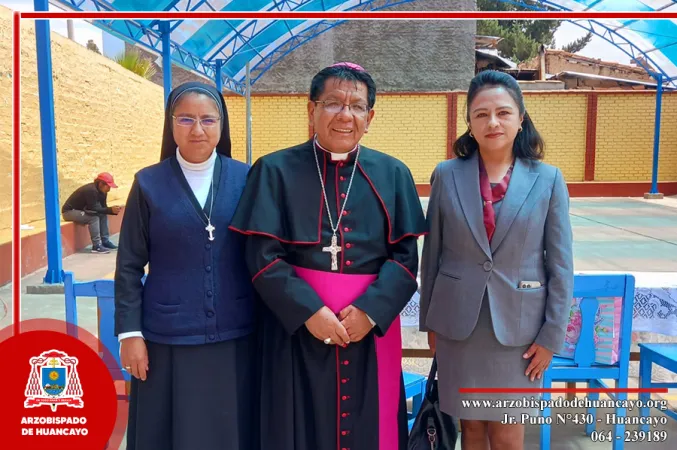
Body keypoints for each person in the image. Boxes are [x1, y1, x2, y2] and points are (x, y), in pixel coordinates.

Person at [229, 62, 427, 450]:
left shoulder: (392, 173)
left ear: (370, 117)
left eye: (356, 106)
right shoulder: (274, 170)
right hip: (296, 330)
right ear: (311, 110)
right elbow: (262, 255)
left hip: (368, 331)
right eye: (333, 103)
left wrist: (369, 312)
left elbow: (406, 257)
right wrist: (308, 312)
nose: (345, 115)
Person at [419, 70, 574, 450]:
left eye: (503, 113)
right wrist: (431, 323)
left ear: (521, 119)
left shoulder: (548, 180)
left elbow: (561, 265)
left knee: (507, 433)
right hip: (459, 328)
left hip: (520, 332)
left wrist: (551, 337)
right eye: (481, 114)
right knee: (470, 430)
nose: (492, 122)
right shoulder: (447, 175)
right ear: (469, 123)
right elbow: (432, 255)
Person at [113, 82, 257, 450]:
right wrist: (130, 334)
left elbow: (264, 256)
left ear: (221, 125)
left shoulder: (247, 179)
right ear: (171, 124)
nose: (197, 129)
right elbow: (129, 264)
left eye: (208, 119)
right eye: (186, 119)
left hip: (235, 335)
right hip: (167, 339)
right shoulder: (148, 183)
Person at [61, 172, 122, 253]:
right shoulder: (91, 190)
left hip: (81, 210)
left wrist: (112, 210)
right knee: (94, 218)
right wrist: (110, 210)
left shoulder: (103, 192)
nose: (109, 189)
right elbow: (94, 208)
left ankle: (105, 241)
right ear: (101, 184)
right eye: (108, 186)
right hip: (69, 212)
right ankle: (96, 246)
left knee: (103, 215)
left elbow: (102, 208)